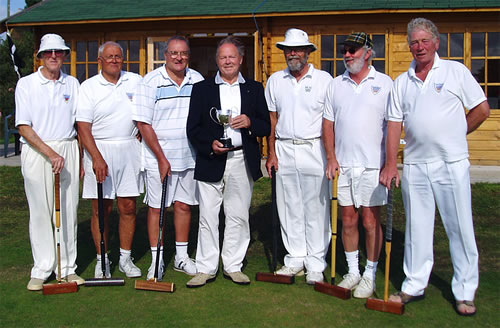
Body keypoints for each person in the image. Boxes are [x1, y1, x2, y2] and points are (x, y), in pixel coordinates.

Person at [380, 18, 490, 316]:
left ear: (436, 43)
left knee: (460, 228)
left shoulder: (455, 71)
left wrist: (457, 133)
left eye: (424, 41)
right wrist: (391, 164)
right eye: (414, 42)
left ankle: (465, 292)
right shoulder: (403, 81)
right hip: (415, 166)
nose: (419, 47)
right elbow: (393, 124)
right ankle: (414, 284)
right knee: (416, 229)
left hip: (451, 164)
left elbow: (482, 109)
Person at [186, 36, 270, 287]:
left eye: (232, 57)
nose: (227, 61)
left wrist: (251, 122)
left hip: (242, 159)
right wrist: (209, 144)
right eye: (222, 57)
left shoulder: (254, 88)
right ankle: (206, 268)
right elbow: (193, 128)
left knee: (238, 215)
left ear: (241, 60)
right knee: (208, 216)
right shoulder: (203, 89)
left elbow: (266, 125)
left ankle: (233, 265)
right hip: (211, 158)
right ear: (217, 61)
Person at [323, 32, 393, 298]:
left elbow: (393, 126)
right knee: (348, 219)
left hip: (373, 166)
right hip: (344, 165)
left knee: (370, 221)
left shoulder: (386, 84)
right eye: (346, 49)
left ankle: (370, 274)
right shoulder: (336, 84)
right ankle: (353, 271)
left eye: (353, 49)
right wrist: (331, 157)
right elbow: (328, 125)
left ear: (368, 52)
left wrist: (389, 164)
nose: (348, 54)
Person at [15, 34, 84, 290]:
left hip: (68, 148)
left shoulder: (73, 83)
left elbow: (80, 124)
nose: (54, 56)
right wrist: (50, 153)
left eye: (59, 52)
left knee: (67, 210)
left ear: (65, 55)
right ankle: (42, 268)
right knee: (41, 211)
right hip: (37, 151)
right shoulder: (26, 84)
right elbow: (24, 126)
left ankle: (67, 268)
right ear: (41, 57)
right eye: (48, 53)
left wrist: (82, 157)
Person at [265, 28, 333, 285]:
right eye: (288, 50)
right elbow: (273, 120)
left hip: (314, 148)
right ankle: (295, 257)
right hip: (284, 148)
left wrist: (331, 156)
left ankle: (316, 261)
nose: (292, 54)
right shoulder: (275, 80)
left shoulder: (324, 80)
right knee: (289, 205)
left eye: (297, 49)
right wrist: (271, 153)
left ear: (307, 52)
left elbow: (330, 121)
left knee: (316, 207)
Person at [133, 36, 204, 280]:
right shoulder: (150, 81)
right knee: (157, 208)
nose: (178, 57)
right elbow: (143, 123)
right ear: (165, 55)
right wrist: (162, 158)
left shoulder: (198, 80)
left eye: (183, 53)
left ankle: (182, 258)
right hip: (157, 159)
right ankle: (157, 259)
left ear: (188, 55)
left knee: (184, 206)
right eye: (173, 53)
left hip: (189, 156)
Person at [77, 41, 143, 279]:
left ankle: (125, 258)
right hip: (99, 149)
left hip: (129, 149)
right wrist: (96, 157)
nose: (114, 60)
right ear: (100, 61)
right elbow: (83, 127)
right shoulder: (88, 87)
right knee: (101, 209)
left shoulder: (135, 81)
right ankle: (101, 259)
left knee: (128, 206)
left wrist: (141, 130)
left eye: (118, 56)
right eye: (109, 57)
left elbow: (147, 110)